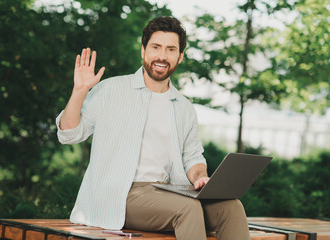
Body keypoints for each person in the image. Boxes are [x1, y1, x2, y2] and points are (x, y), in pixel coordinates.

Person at [56, 16, 250, 240]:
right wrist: (79, 91)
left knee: (231, 207)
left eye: (170, 49)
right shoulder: (112, 89)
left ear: (180, 56)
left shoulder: (184, 107)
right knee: (187, 209)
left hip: (168, 192)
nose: (162, 56)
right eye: (156, 47)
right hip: (120, 195)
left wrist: (201, 178)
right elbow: (69, 134)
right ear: (143, 51)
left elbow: (192, 158)